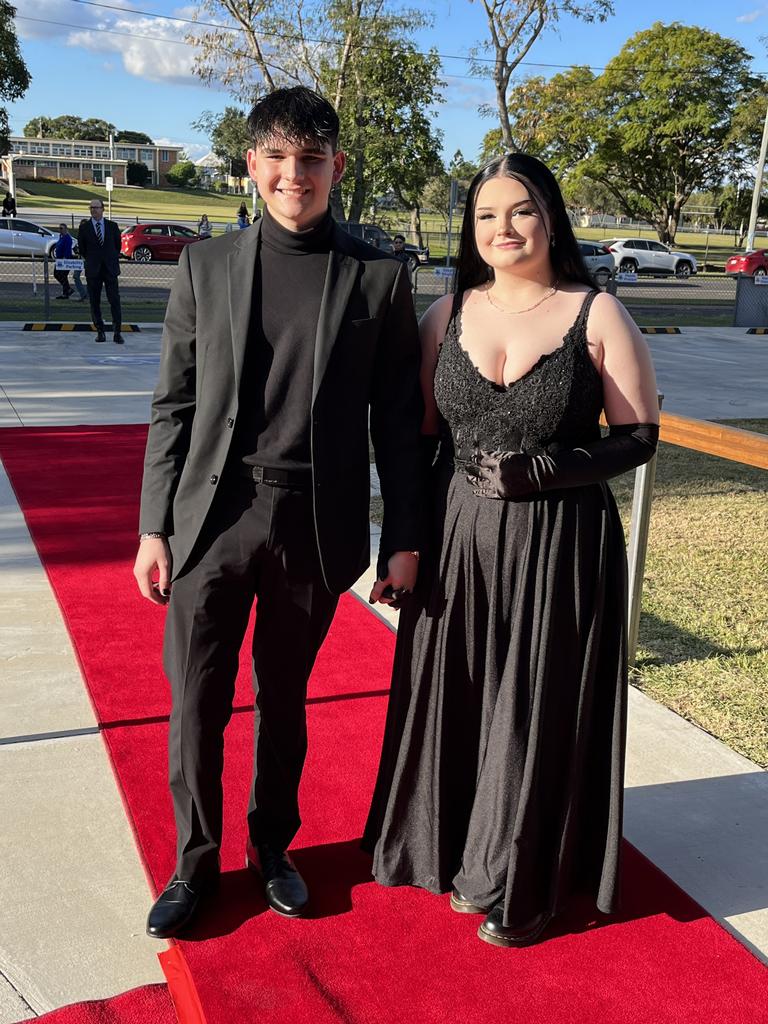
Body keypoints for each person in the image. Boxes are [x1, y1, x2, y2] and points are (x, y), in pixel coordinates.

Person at [134, 86, 424, 939]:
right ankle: (193, 866)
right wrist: (155, 524)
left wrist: (403, 537)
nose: (293, 174)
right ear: (252, 165)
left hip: (313, 523)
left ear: (336, 166)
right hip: (209, 520)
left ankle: (272, 850)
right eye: (277, 157)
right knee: (194, 703)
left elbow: (397, 427)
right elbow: (174, 407)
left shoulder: (377, 277)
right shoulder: (204, 267)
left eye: (310, 159)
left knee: (285, 702)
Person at [364, 152, 659, 948]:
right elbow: (419, 447)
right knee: (460, 693)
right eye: (486, 214)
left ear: (551, 218)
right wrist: (405, 547)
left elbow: (638, 439)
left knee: (534, 707)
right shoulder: (446, 314)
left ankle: (519, 883)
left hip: (561, 543)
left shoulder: (597, 313)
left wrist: (552, 469)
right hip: (461, 536)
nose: (504, 228)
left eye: (521, 211)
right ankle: (451, 847)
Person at [77, 199, 124, 344]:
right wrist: (93, 260)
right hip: (93, 270)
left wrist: (109, 258)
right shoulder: (84, 228)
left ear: (103, 209)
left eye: (96, 207)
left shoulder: (112, 226)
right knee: (94, 302)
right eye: (91, 208)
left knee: (114, 300)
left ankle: (117, 332)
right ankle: (100, 331)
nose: (93, 210)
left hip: (110, 269)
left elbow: (117, 246)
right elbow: (82, 249)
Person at [52, 223, 75, 299]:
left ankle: (66, 292)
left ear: (65, 229)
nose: (60, 230)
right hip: (59, 259)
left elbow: (67, 249)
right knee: (58, 275)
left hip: (64, 259)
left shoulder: (67, 238)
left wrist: (65, 258)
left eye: (61, 228)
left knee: (62, 275)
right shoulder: (61, 237)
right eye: (59, 228)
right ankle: (67, 290)